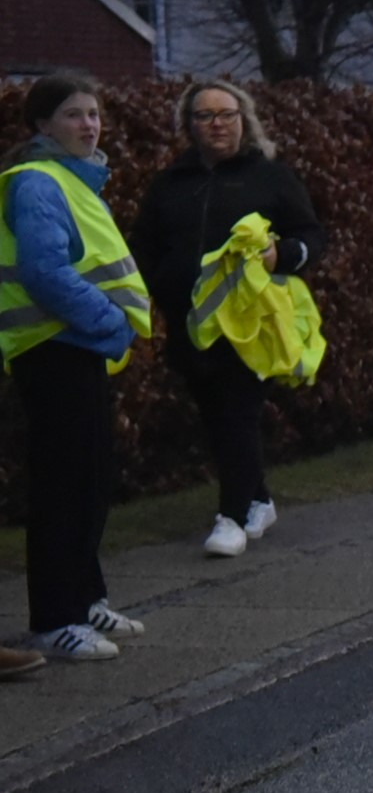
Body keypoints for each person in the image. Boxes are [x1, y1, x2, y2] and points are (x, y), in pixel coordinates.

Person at [130, 78, 329, 557]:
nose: (217, 125)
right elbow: (143, 244)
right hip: (189, 322)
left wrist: (284, 254)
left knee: (237, 413)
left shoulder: (270, 177)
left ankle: (232, 519)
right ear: (189, 125)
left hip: (248, 323)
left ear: (245, 119)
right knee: (216, 417)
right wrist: (160, 284)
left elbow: (312, 236)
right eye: (205, 116)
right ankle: (257, 498)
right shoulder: (170, 183)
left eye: (227, 114)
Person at [3, 71, 155, 661]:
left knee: (89, 481)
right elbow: (46, 273)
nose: (89, 125)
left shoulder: (70, 181)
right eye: (73, 114)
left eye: (93, 113)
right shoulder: (40, 183)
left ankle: (84, 597)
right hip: (54, 348)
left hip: (75, 349)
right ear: (42, 125)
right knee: (64, 487)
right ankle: (54, 618)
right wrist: (110, 322)